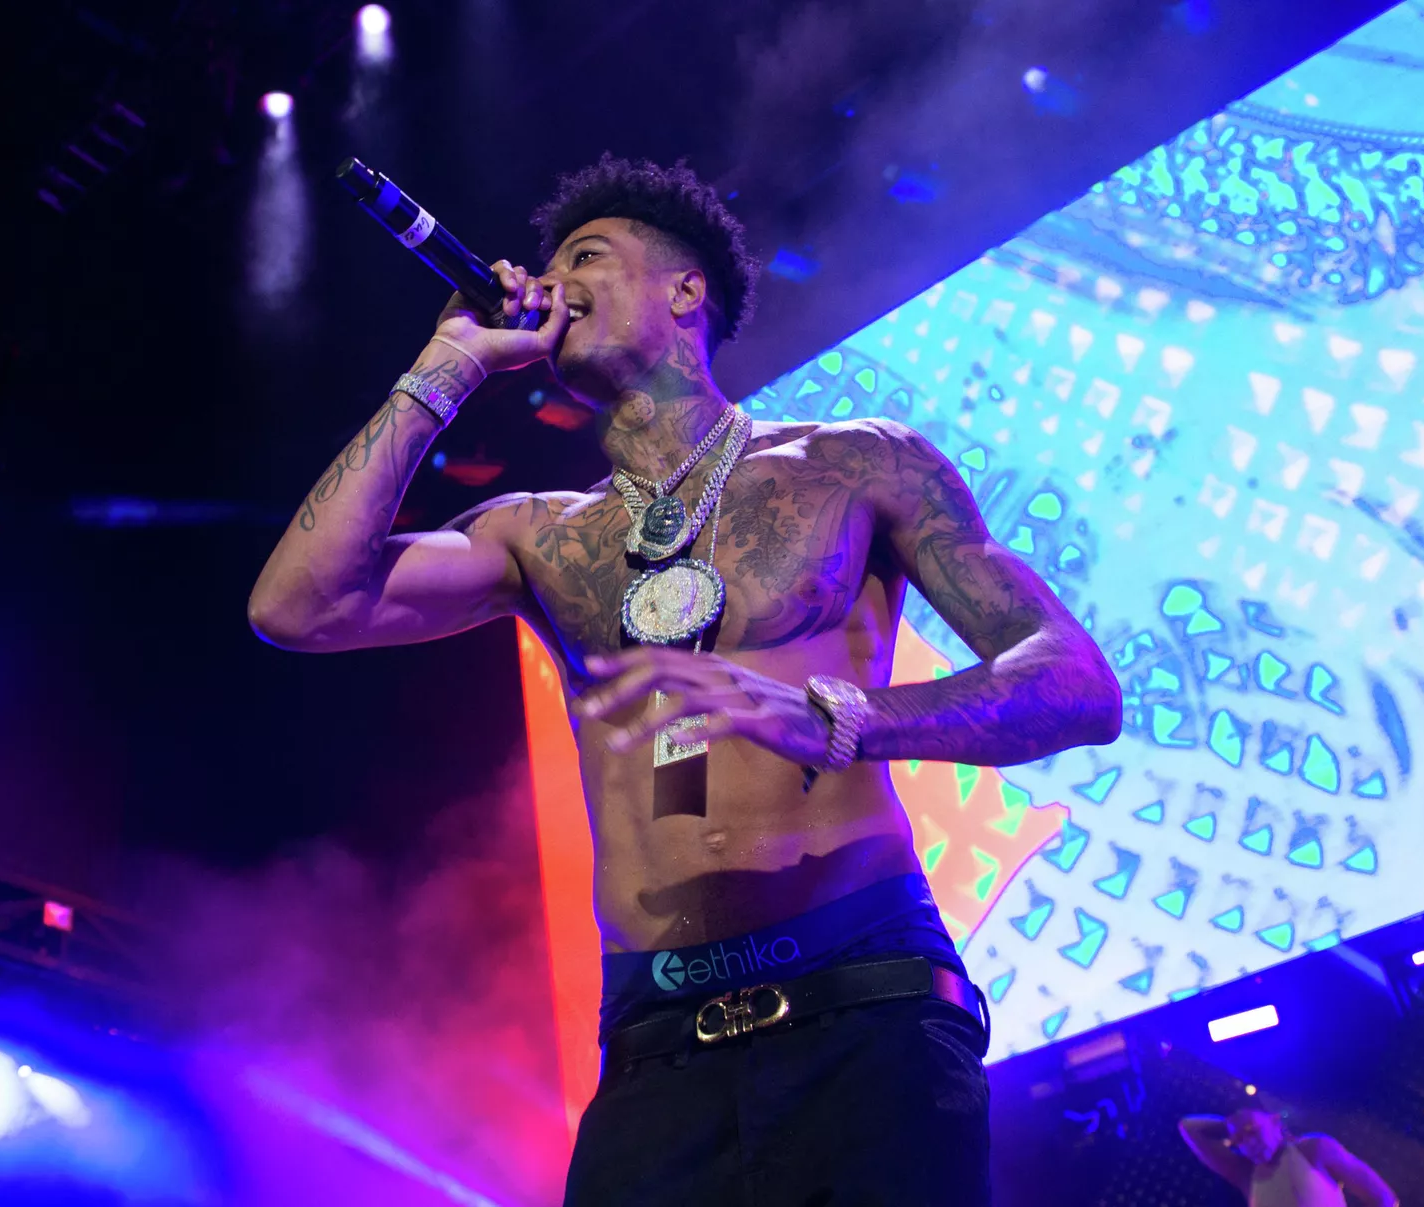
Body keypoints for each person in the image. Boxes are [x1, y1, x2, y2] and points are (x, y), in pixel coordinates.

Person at [248, 154, 1122, 1205]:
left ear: (685, 290)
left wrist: (843, 717)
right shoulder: (539, 533)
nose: (551, 283)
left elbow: (1076, 681)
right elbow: (298, 606)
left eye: (587, 258)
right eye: (552, 267)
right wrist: (446, 368)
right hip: (656, 1055)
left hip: (864, 1013)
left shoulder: (853, 464)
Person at [1180, 1108, 1399, 1207]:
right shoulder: (1245, 1175)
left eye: (1253, 1131)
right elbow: (1188, 1127)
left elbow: (1382, 1198)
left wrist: (1241, 1121)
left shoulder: (1314, 1149)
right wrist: (1232, 1123)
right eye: (1239, 1141)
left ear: (1275, 1122)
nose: (1249, 1143)